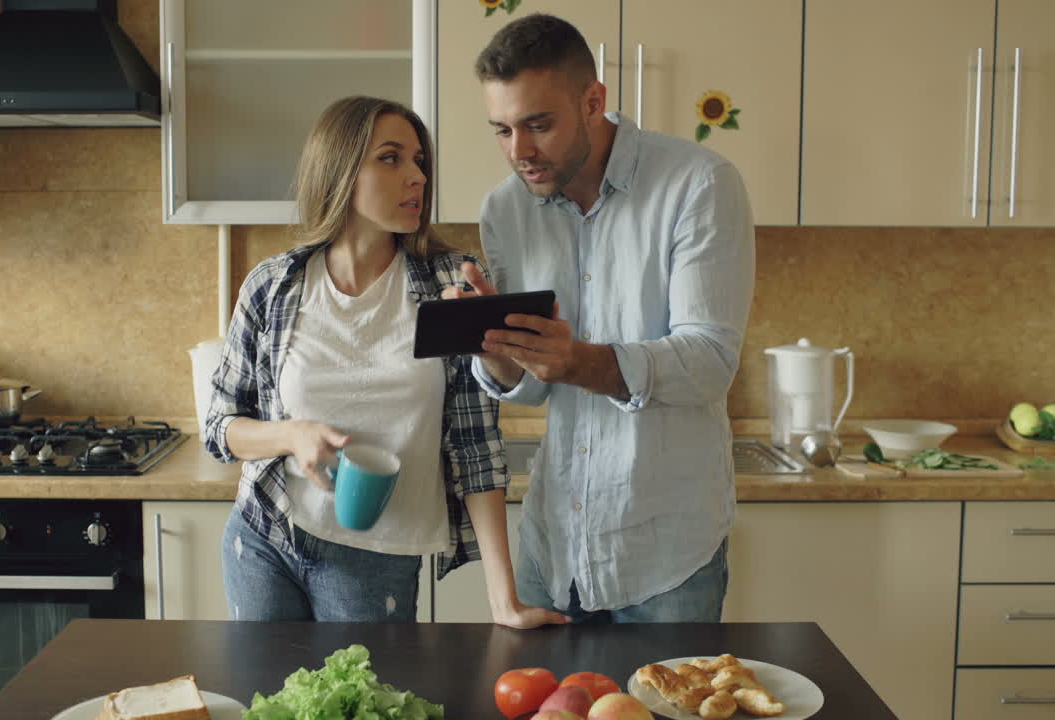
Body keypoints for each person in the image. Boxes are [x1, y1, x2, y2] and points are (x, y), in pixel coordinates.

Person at [204, 95, 566, 628]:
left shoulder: (450, 282)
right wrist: (291, 435)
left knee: (366, 710)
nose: (416, 176)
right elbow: (218, 427)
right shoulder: (275, 285)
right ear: (340, 169)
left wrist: (503, 599)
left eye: (419, 161)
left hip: (379, 555)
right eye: (391, 158)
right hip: (265, 535)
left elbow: (475, 445)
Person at [447, 13, 756, 622]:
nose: (520, 152)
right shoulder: (506, 209)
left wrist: (586, 361)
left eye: (538, 125)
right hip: (552, 546)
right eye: (502, 130)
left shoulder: (699, 184)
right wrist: (500, 355)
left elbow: (711, 362)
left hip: (667, 556)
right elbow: (535, 388)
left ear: (594, 101)